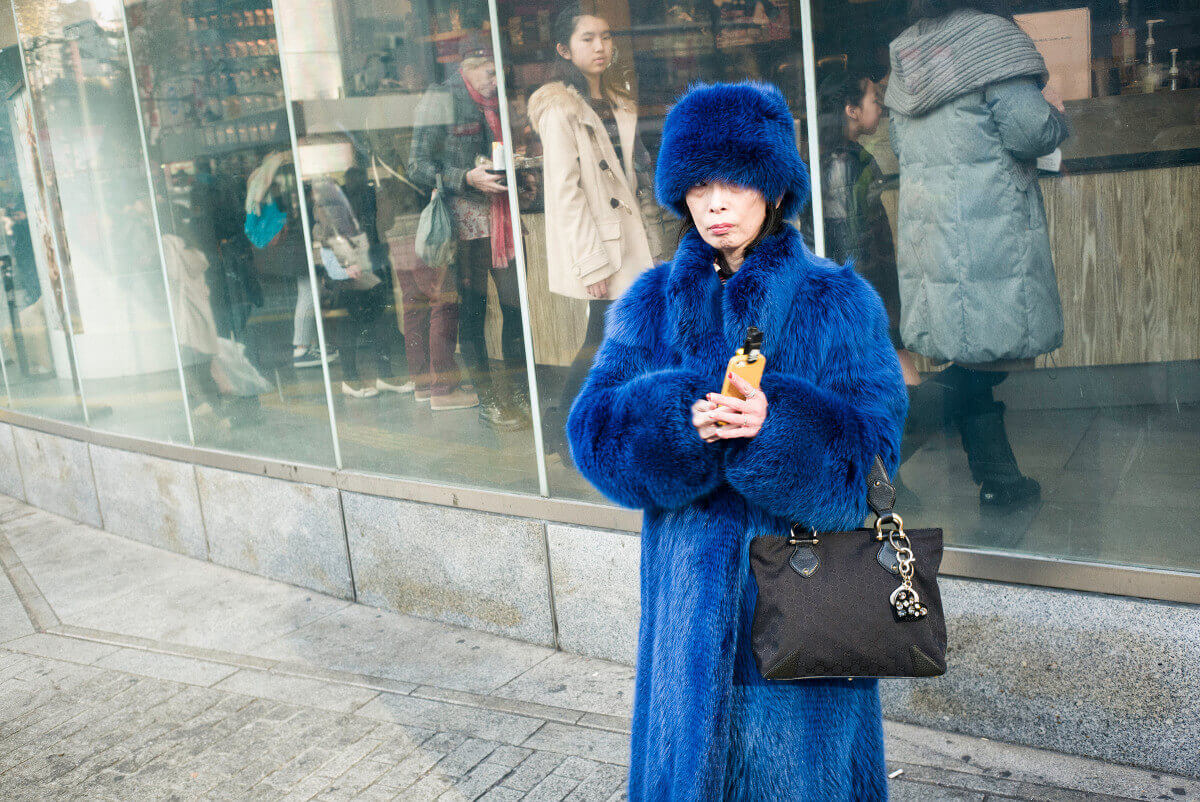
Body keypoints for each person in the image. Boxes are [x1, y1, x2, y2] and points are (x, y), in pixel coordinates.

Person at [567, 82, 907, 800]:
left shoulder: (839, 303)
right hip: (686, 635)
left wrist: (775, 428)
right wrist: (675, 425)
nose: (715, 202)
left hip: (802, 623)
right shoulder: (649, 303)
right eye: (698, 185)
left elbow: (873, 463)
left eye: (734, 181)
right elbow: (593, 435)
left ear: (775, 186)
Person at [885, 0, 1070, 510]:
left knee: (974, 354)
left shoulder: (910, 49)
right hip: (988, 232)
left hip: (934, 231)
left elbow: (900, 142)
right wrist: (1054, 110)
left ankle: (1000, 477)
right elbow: (1031, 130)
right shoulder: (991, 37)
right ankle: (881, 447)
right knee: (985, 362)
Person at [527, 2, 663, 464]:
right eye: (588, 39)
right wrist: (590, 263)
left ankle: (587, 429)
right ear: (564, 49)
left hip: (632, 238)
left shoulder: (617, 99)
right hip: (603, 245)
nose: (601, 46)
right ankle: (568, 430)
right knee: (604, 340)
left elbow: (634, 175)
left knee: (618, 338)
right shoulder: (559, 108)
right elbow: (565, 193)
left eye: (606, 37)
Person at [408, 43, 528, 431]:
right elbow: (417, 165)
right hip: (466, 225)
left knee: (514, 308)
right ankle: (489, 398)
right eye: (489, 73)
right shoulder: (439, 98)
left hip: (503, 220)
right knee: (474, 313)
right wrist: (464, 177)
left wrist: (521, 178)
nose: (496, 81)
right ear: (467, 67)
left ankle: (518, 392)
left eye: (499, 73)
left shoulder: (499, 102)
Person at [816, 68, 917, 386]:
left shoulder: (840, 158)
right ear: (852, 110)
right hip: (867, 280)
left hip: (867, 279)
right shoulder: (844, 163)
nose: (880, 107)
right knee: (894, 359)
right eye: (874, 99)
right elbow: (849, 238)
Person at [310, 177, 411, 399]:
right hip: (348, 281)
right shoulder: (328, 219)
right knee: (355, 329)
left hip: (358, 276)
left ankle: (376, 377)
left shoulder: (337, 215)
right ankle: (355, 380)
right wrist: (345, 271)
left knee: (371, 326)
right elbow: (329, 257)